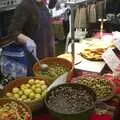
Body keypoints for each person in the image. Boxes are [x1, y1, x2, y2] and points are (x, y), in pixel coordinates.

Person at [0, 0, 55, 78]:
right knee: (38, 81)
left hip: (48, 49)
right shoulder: (25, 6)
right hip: (35, 53)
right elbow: (13, 31)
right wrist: (27, 40)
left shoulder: (42, 4)